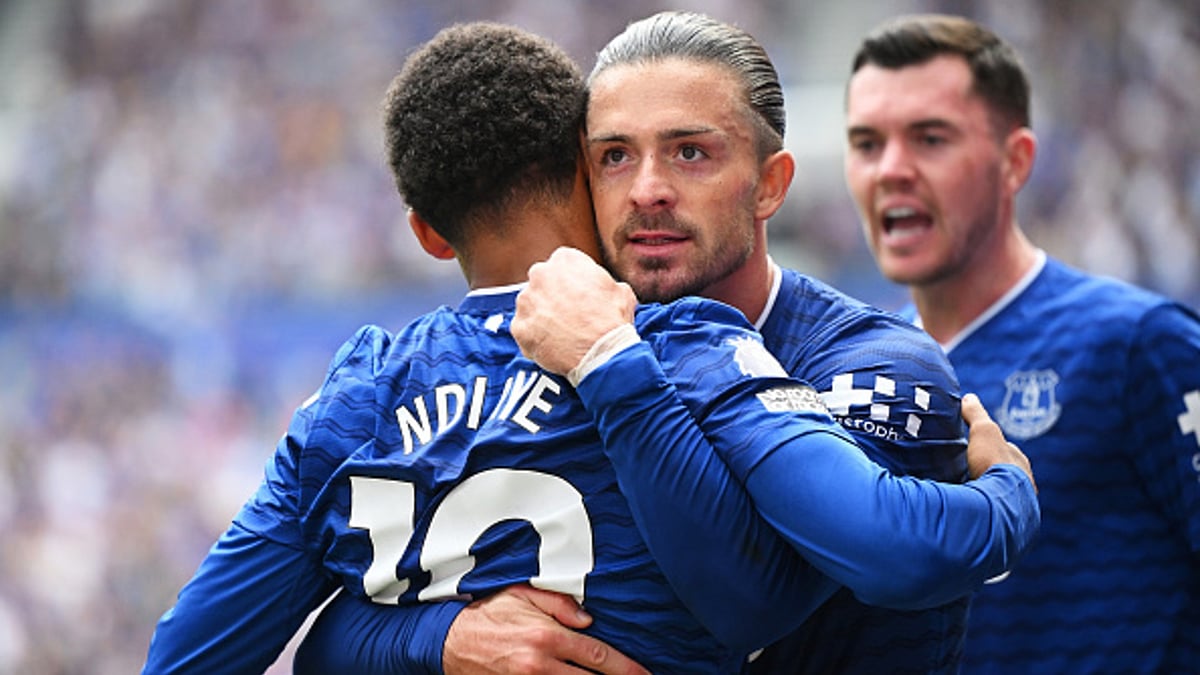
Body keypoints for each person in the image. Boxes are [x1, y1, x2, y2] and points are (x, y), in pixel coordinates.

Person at [142, 19, 1038, 675]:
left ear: (770, 186)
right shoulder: (671, 341)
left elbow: (834, 570)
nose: (646, 190)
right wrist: (440, 639)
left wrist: (614, 359)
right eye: (615, 156)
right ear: (579, 170)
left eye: (689, 153)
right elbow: (326, 647)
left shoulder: (875, 366)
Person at [842, 13, 1200, 673]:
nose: (891, 169)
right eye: (867, 143)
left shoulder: (1136, 344)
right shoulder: (852, 369)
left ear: (1016, 162)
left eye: (930, 138)